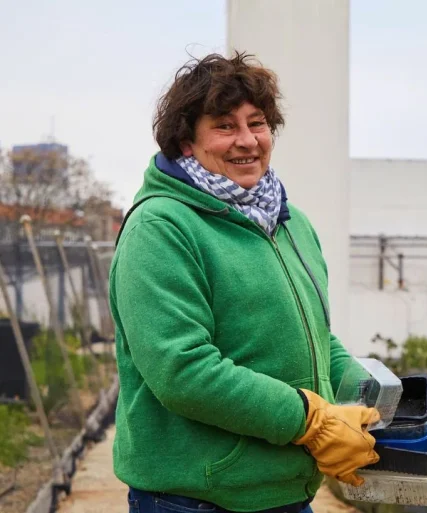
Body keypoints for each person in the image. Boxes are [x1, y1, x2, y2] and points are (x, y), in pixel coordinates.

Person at [110, 52, 380, 513]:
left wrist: (374, 402)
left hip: (284, 490)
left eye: (257, 123)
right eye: (225, 126)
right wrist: (310, 419)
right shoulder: (161, 229)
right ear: (186, 143)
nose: (247, 141)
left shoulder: (291, 224)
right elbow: (182, 370)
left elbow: (316, 336)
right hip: (197, 497)